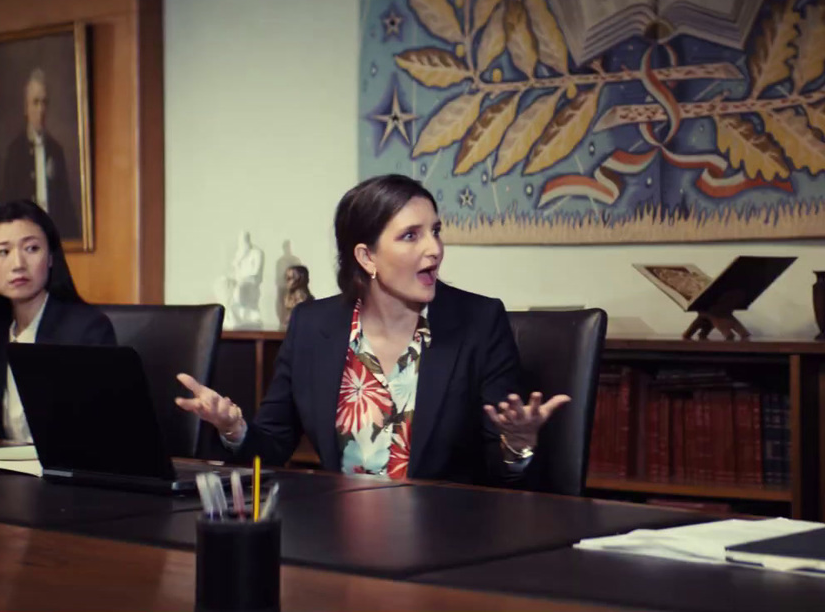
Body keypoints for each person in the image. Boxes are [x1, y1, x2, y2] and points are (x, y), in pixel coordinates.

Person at [175, 175, 567, 486]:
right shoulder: (313, 326)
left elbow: (499, 478)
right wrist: (234, 428)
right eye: (411, 235)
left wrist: (516, 446)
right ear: (366, 256)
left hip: (444, 538)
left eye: (436, 230)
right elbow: (273, 449)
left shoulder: (479, 322)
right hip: (338, 538)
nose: (435, 249)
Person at [0, 200, 113, 441]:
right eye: (3, 252)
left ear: (50, 258)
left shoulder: (87, 330)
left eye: (31, 249)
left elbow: (99, 428)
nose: (18, 265)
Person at [0, 68, 80, 241]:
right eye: (35, 103)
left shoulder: (56, 151)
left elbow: (65, 207)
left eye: (44, 103)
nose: (40, 109)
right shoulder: (15, 152)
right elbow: (7, 207)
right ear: (25, 108)